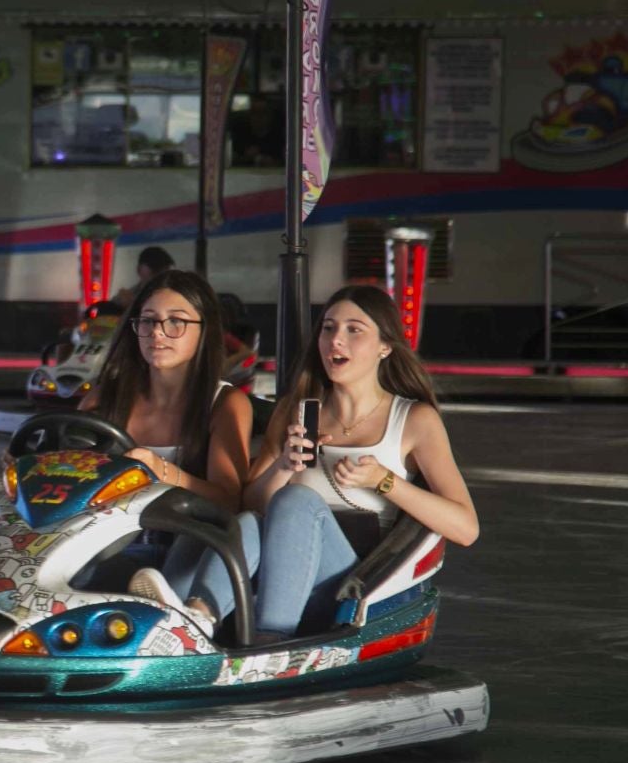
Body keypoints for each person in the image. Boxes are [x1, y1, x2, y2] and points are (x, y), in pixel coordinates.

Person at [146, 284, 479, 638]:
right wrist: (284, 467)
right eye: (329, 328)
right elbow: (249, 503)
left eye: (354, 330)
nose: (336, 339)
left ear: (385, 346)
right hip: (278, 572)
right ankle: (197, 618)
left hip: (350, 584)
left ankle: (272, 636)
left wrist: (385, 481)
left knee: (296, 500)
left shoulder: (413, 420)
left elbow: (465, 528)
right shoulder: (297, 410)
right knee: (246, 521)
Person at [79, 269, 252, 514]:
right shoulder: (105, 396)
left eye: (176, 321)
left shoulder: (225, 403)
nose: (157, 332)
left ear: (205, 330)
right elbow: (73, 471)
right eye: (148, 320)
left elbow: (229, 501)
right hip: (107, 538)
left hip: (184, 538)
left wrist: (162, 472)